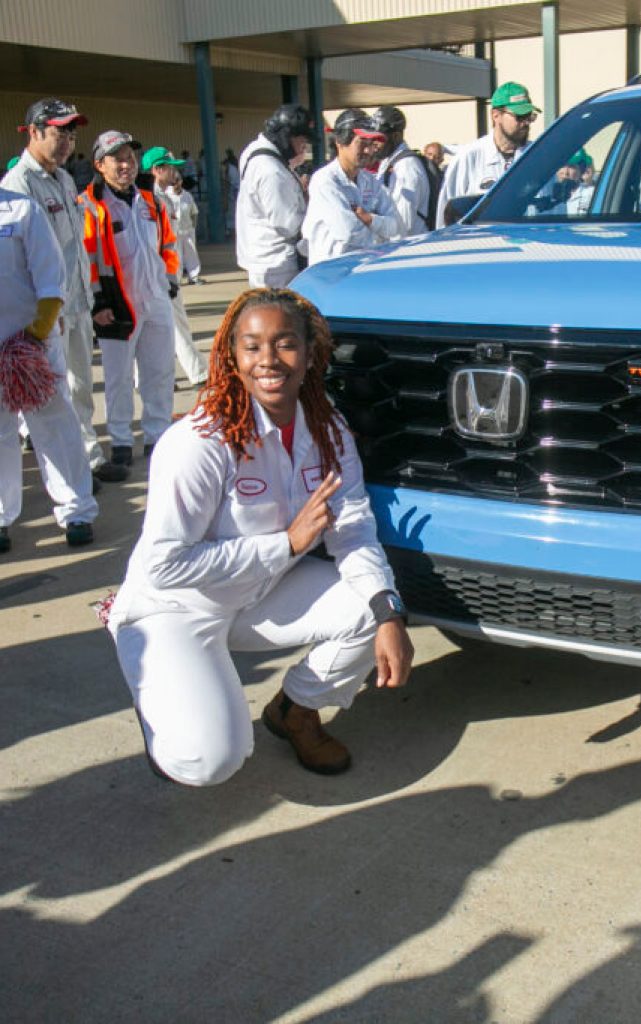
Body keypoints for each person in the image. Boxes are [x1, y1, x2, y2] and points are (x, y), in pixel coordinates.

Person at [106, 288, 415, 785]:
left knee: (368, 608)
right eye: (252, 346)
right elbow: (164, 564)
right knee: (209, 761)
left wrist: (389, 611)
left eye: (285, 343)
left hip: (260, 593)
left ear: (311, 354)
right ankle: (153, 678)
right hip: (178, 606)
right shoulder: (198, 442)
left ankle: (295, 711)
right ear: (233, 355)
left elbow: (354, 531)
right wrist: (285, 545)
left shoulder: (330, 432)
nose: (269, 360)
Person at [3, 98, 130, 485]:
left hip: (75, 302)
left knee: (79, 388)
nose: (67, 141)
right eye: (59, 132)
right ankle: (74, 472)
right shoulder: (17, 186)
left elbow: (75, 248)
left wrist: (89, 298)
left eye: (71, 134)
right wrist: (41, 318)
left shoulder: (62, 178)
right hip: (44, 315)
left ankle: (85, 458)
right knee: (54, 401)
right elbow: (18, 264)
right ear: (34, 132)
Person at [0, 185, 99, 552]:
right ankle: (0, 516)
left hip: (30, 347)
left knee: (54, 424)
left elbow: (50, 276)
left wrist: (36, 334)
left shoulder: (21, 211)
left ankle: (76, 510)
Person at [79, 130, 178, 469]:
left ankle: (157, 436)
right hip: (116, 304)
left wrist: (170, 281)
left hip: (156, 300)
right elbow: (86, 260)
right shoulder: (89, 205)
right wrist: (98, 303)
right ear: (99, 164)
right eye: (118, 158)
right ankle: (121, 440)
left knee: (160, 372)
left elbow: (168, 245)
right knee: (118, 377)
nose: (127, 165)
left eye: (131, 158)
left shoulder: (152, 201)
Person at [143, 146, 208, 388]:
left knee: (157, 328)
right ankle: (197, 371)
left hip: (167, 271)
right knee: (173, 323)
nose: (175, 172)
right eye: (171, 168)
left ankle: (150, 377)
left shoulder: (165, 197)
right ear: (158, 170)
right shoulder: (147, 199)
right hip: (156, 273)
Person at [302, 109, 401, 265]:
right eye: (361, 143)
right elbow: (347, 231)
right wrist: (380, 237)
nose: (368, 151)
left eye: (371, 144)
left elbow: (396, 226)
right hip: (331, 272)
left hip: (364, 268)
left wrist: (370, 219)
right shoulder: (325, 181)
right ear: (340, 141)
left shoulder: (371, 181)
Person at [434, 81, 540, 228]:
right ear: (496, 115)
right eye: (519, 117)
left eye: (529, 116)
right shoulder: (468, 157)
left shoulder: (536, 156)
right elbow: (445, 217)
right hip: (482, 247)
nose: (526, 123)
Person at [236, 104, 314, 288]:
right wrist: (311, 206)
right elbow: (288, 224)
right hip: (277, 264)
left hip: (262, 256)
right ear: (286, 137)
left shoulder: (253, 151)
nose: (304, 146)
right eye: (302, 140)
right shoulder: (272, 171)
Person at [370, 105, 433, 237]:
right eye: (372, 137)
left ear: (396, 136)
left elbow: (403, 224)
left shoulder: (406, 167)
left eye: (379, 138)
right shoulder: (388, 162)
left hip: (409, 249)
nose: (373, 143)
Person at [168, 170, 204, 284]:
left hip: (188, 230)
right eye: (172, 182)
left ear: (181, 181)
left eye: (176, 181)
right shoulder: (166, 195)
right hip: (173, 231)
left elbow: (194, 212)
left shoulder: (187, 195)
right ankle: (176, 280)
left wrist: (193, 227)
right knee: (176, 256)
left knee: (191, 253)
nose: (174, 184)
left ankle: (194, 277)